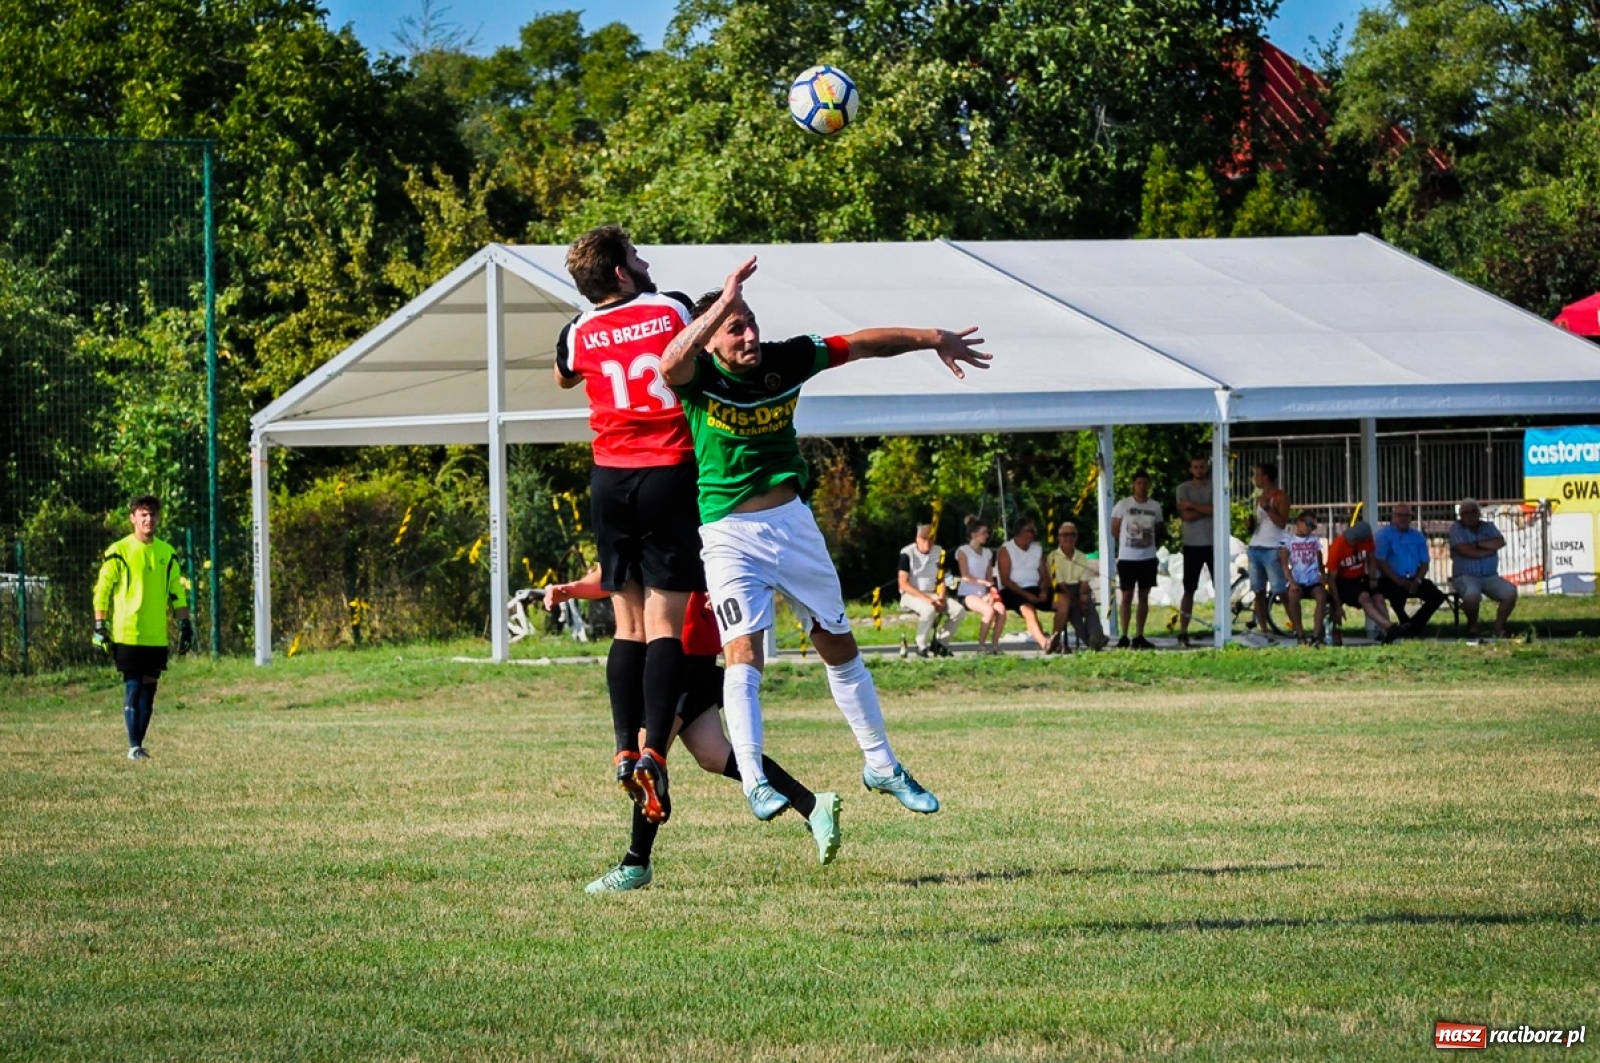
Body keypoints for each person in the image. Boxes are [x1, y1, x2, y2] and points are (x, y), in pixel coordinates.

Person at [660, 255, 988, 819]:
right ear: (709, 339)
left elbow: (861, 344)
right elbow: (669, 363)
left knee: (839, 645)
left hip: (793, 527)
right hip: (729, 535)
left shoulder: (786, 360)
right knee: (743, 652)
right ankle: (755, 780)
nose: (750, 335)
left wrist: (934, 337)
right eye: (735, 327)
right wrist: (722, 301)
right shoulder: (698, 378)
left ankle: (881, 764)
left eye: (751, 322)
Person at [546, 569, 841, 892]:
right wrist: (571, 589)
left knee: (647, 755)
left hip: (681, 657)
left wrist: (720, 588)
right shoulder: (640, 542)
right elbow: (617, 573)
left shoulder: (691, 539)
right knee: (712, 754)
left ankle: (636, 863)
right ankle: (813, 804)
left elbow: (726, 560)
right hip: (675, 658)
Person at [555, 225, 702, 824]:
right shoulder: (671, 308)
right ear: (621, 271)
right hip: (669, 472)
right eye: (637, 257)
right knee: (666, 624)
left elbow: (565, 375)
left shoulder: (577, 330)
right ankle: (652, 752)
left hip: (609, 481)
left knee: (628, 625)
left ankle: (621, 747)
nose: (645, 263)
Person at [92, 495, 193, 760]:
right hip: (127, 631)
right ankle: (133, 746)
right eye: (143, 514)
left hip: (156, 634)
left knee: (150, 688)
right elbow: (103, 589)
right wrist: (100, 624)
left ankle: (138, 746)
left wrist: (185, 624)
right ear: (133, 518)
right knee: (134, 685)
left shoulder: (166, 553)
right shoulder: (119, 550)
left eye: (153, 514)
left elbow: (177, 592)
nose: (149, 519)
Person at [1449, 498, 1519, 642]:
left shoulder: (1489, 526)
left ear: (1479, 513)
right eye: (1466, 513)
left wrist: (1476, 544)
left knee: (1510, 592)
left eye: (1473, 511)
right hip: (1466, 576)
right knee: (1472, 596)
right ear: (1461, 515)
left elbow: (1500, 542)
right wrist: (1487, 550)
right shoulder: (1456, 528)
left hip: (1490, 576)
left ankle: (1498, 628)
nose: (1470, 515)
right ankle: (1473, 627)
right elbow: (1464, 550)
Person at [1375, 502, 1447, 637]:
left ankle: (1413, 626)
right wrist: (1398, 580)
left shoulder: (1417, 536)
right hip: (1390, 578)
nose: (1403, 518)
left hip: (1414, 578)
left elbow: (1425, 562)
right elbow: (1380, 561)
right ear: (1393, 517)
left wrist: (1417, 580)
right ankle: (1405, 623)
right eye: (1400, 515)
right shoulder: (1384, 535)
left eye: (1406, 515)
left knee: (1437, 596)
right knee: (1396, 594)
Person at [1111, 472, 1162, 649]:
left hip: (1148, 557)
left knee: (1144, 596)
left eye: (1145, 483)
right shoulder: (1123, 505)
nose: (1142, 486)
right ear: (1133, 484)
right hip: (1128, 558)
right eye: (1139, 483)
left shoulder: (1155, 506)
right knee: (1126, 596)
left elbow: (1158, 528)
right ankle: (1124, 635)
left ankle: (1139, 635)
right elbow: (1115, 528)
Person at [1326, 521, 1400, 643]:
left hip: (1360, 577)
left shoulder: (1368, 540)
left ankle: (1387, 631)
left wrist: (1372, 578)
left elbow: (1371, 559)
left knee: (1378, 598)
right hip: (1343, 581)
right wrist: (1338, 604)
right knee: (1364, 597)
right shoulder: (1337, 546)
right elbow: (1331, 578)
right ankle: (1389, 626)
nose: (1352, 541)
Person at [897, 522, 963, 658]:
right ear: (917, 539)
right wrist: (926, 599)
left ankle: (941, 642)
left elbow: (942, 578)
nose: (927, 543)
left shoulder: (939, 552)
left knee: (959, 610)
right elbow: (903, 583)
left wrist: (941, 597)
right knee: (929, 609)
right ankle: (921, 645)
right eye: (924, 539)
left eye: (931, 540)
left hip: (933, 593)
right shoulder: (907, 553)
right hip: (911, 594)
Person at [1174, 455, 1215, 648]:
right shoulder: (1182, 489)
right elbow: (1187, 516)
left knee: (1221, 588)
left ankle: (1222, 628)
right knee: (1189, 589)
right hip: (1192, 545)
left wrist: (1191, 504)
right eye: (1195, 467)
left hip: (1214, 544)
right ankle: (1183, 631)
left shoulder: (1215, 486)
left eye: (1202, 466)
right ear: (1190, 469)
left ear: (1207, 468)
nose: (1199, 470)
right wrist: (1205, 509)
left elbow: (1215, 510)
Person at [1047, 522, 1108, 652]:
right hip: (1062, 591)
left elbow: (1084, 582)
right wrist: (1078, 601)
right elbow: (1060, 584)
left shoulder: (1081, 556)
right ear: (1059, 538)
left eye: (1072, 535)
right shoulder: (1053, 557)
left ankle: (1096, 634)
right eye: (1065, 535)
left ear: (1076, 537)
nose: (1068, 538)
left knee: (1088, 604)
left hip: (1079, 588)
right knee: (1074, 609)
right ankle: (1092, 641)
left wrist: (1083, 597)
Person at [1246, 462, 1291, 635]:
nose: (1255, 479)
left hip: (1272, 548)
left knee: (1280, 590)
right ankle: (1264, 629)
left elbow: (1281, 523)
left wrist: (1267, 508)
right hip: (1256, 546)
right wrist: (1250, 526)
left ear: (1266, 477)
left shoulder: (1280, 497)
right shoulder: (1259, 498)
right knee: (1258, 591)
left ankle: (1297, 628)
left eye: (1257, 475)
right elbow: (1260, 525)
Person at [997, 519, 1052, 652]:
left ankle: (1056, 637)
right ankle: (1044, 643)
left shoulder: (1037, 549)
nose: (1033, 534)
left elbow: (1044, 575)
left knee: (1062, 602)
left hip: (1035, 588)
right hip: (1013, 590)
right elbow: (1005, 580)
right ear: (1020, 532)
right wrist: (1026, 595)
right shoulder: (1006, 550)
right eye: (1030, 530)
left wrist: (1044, 591)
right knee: (1027, 608)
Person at [956, 518, 1006, 656]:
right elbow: (965, 576)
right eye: (983, 533)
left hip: (983, 593)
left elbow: (989, 576)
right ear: (973, 534)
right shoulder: (963, 551)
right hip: (968, 593)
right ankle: (981, 646)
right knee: (988, 611)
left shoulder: (988, 553)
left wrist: (991, 590)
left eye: (987, 533)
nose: (986, 535)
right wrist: (983, 583)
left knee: (1001, 610)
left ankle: (995, 645)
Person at [1281, 511, 1328, 646]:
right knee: (1293, 596)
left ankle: (1316, 635)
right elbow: (1284, 564)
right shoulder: (1288, 540)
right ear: (1298, 522)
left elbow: (1320, 561)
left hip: (1313, 580)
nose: (1310, 528)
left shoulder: (1315, 540)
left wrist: (1322, 576)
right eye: (1308, 523)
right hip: (1297, 579)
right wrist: (1291, 582)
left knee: (1321, 596)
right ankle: (1300, 634)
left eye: (1313, 525)